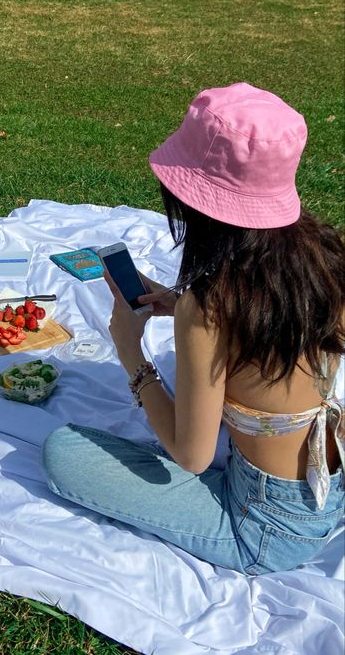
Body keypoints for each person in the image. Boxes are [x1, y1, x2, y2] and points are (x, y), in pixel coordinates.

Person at [43, 82, 345, 575]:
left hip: (263, 527)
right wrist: (179, 302)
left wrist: (131, 355)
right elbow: (270, 325)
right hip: (331, 486)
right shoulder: (324, 258)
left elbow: (192, 456)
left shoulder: (211, 307)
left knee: (64, 452)